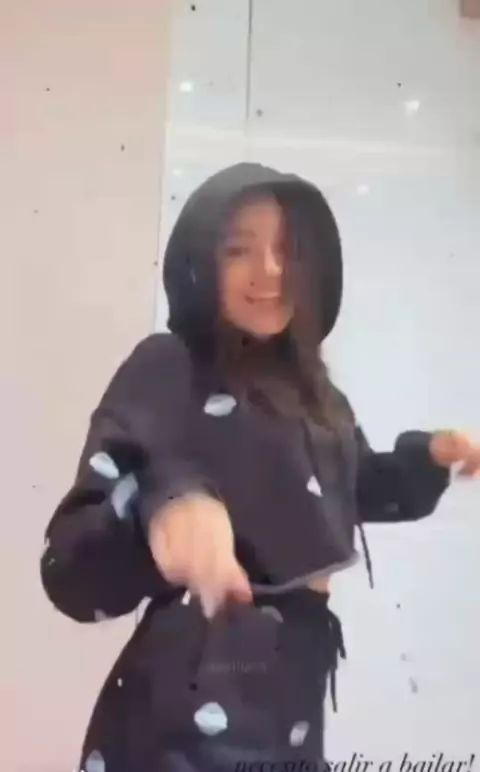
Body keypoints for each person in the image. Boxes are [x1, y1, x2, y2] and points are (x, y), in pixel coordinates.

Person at [41, 163, 480, 772]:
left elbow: (352, 490)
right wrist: (161, 523)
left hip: (292, 698)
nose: (270, 270)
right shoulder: (168, 366)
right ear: (199, 260)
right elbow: (69, 564)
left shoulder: (314, 391)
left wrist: (428, 458)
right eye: (238, 249)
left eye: (287, 250)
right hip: (186, 709)